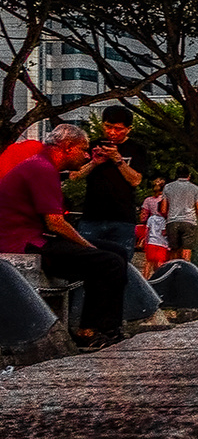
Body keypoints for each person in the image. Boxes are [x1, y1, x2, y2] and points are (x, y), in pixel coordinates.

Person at [0, 125, 128, 349]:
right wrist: (88, 246)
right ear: (68, 147)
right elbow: (55, 222)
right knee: (109, 261)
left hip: (36, 237)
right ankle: (91, 330)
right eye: (84, 149)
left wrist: (88, 248)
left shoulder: (40, 165)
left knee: (117, 252)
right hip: (24, 242)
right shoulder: (41, 168)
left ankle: (105, 327)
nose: (87, 155)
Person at [71, 105, 147, 259]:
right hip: (91, 216)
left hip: (123, 217)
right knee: (87, 260)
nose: (112, 132)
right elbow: (74, 176)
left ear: (128, 129)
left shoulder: (137, 149)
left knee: (121, 262)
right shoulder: (92, 145)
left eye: (118, 129)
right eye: (108, 127)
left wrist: (118, 160)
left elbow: (136, 180)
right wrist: (93, 163)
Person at [162, 166, 198, 264]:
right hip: (189, 221)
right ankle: (185, 270)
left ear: (176, 175)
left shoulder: (168, 187)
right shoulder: (195, 188)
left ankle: (173, 270)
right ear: (189, 175)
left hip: (172, 221)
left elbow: (163, 209)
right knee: (187, 250)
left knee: (173, 250)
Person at [139, 177, 168, 276]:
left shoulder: (148, 200)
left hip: (152, 228)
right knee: (160, 260)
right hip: (163, 227)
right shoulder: (166, 200)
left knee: (148, 261)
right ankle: (159, 279)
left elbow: (143, 217)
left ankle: (145, 280)